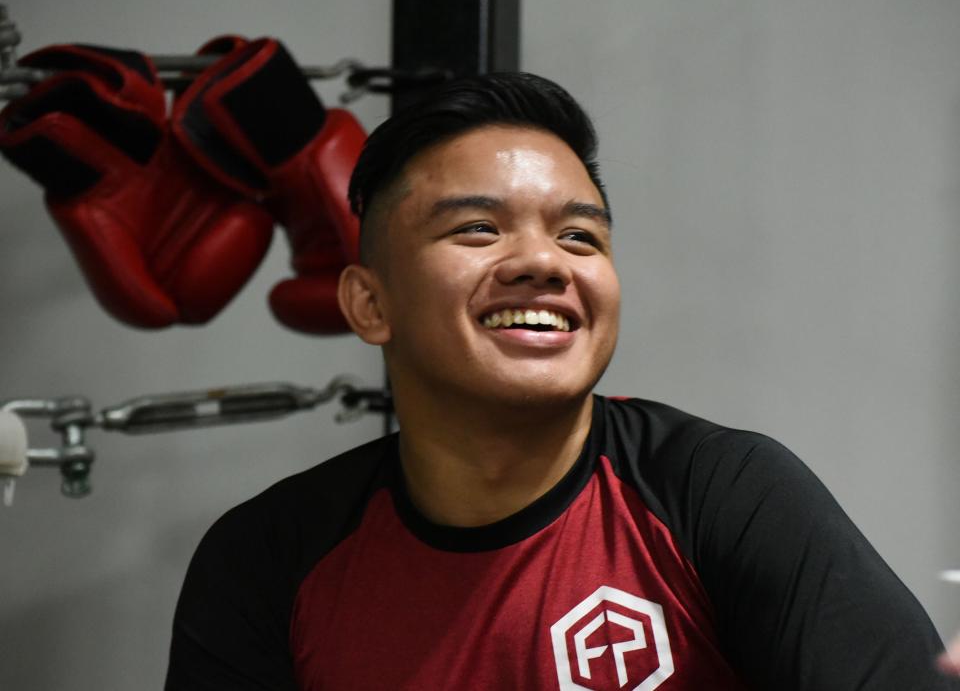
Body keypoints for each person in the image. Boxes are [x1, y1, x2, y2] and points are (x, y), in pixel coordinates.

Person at [164, 72, 959, 690]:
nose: (545, 262)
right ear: (370, 303)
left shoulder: (721, 493)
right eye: (478, 227)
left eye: (580, 235)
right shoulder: (268, 558)